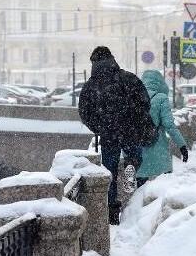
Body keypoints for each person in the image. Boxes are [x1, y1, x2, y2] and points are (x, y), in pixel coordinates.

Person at [78, 46, 150, 225]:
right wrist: (135, 121)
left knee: (108, 171)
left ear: (94, 63)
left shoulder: (91, 85)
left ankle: (111, 210)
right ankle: (138, 195)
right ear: (112, 59)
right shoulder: (128, 78)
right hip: (130, 131)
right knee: (135, 160)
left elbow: (84, 112)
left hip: (109, 134)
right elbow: (144, 102)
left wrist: (99, 127)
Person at [136, 70, 188, 188]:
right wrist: (182, 146)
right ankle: (159, 205)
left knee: (139, 186)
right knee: (165, 184)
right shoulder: (161, 98)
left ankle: (137, 205)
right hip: (158, 149)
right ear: (159, 82)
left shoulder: (134, 97)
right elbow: (169, 125)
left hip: (138, 148)